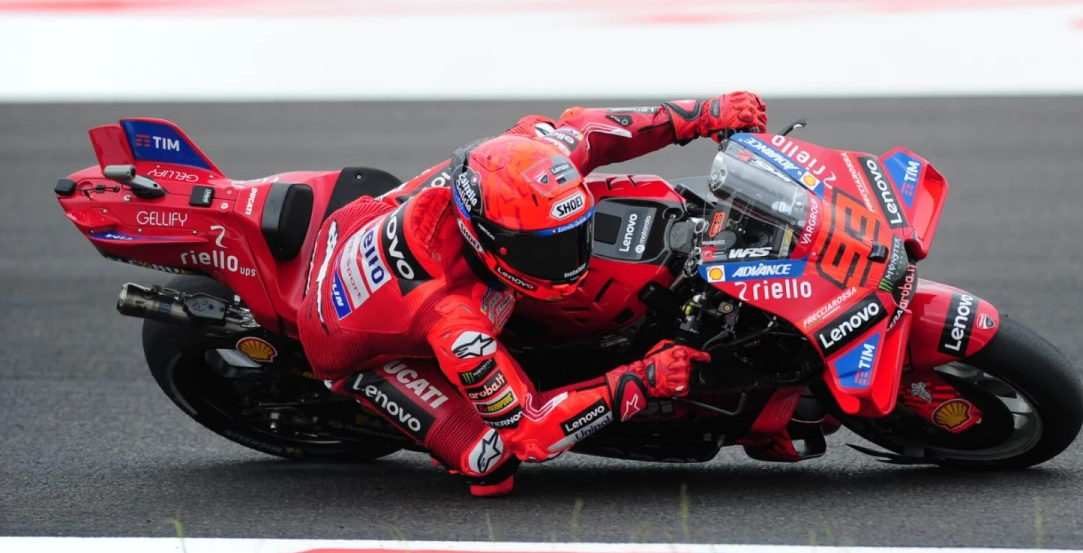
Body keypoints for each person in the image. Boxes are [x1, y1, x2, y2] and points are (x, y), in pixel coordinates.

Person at [297, 93, 769, 496]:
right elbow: (531, 431)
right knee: (491, 460)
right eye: (549, 249)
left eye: (571, 236)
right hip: (348, 344)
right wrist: (645, 379)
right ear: (489, 243)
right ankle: (364, 388)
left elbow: (592, 129)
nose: (571, 258)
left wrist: (707, 112)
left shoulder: (527, 156)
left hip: (363, 217)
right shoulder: (454, 320)